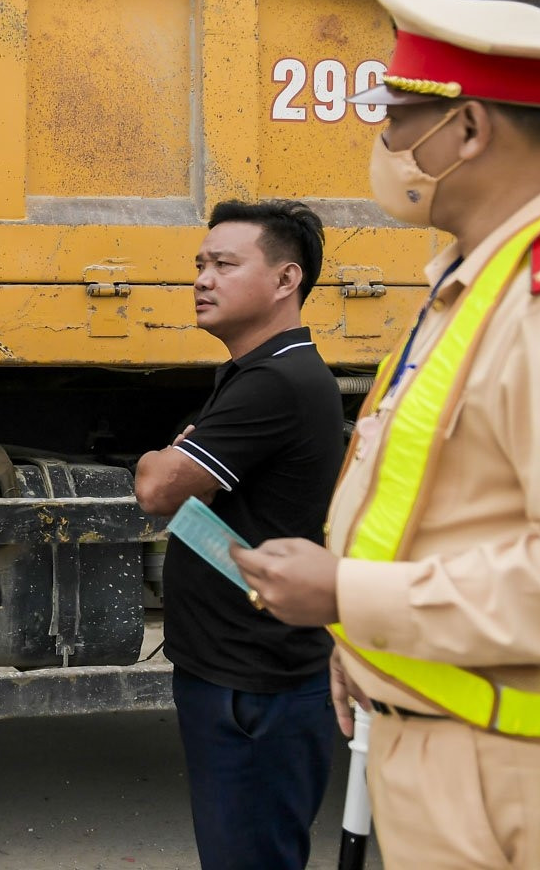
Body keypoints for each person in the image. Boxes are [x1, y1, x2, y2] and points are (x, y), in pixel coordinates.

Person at [230, 0, 540, 870]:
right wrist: (366, 640)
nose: (383, 139)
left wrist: (348, 595)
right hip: (467, 751)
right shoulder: (480, 281)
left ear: (468, 128)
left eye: (398, 118)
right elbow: (458, 509)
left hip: (525, 787)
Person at [134, 200, 345, 870]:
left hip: (254, 689)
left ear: (286, 281)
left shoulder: (278, 381)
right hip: (240, 679)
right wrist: (174, 463)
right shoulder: (257, 373)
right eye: (200, 264)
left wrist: (158, 460)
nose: (202, 279)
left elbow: (157, 490)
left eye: (225, 264)